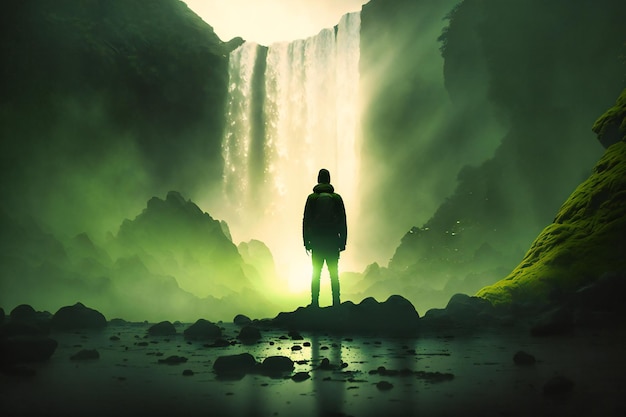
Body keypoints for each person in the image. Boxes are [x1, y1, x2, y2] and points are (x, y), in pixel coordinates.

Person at [302, 168, 347, 307]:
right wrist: (343, 242)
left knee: (316, 273)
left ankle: (315, 303)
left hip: (316, 241)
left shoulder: (312, 198)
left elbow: (306, 220)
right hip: (333, 241)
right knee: (334, 273)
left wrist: (306, 242)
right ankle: (336, 304)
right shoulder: (336, 198)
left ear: (318, 180)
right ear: (329, 180)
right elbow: (343, 221)